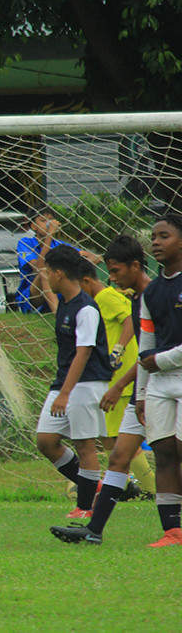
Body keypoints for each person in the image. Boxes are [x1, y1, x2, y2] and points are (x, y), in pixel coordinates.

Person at [50, 235, 154, 544]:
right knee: (118, 450)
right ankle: (94, 529)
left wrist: (119, 352)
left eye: (115, 270)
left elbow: (134, 330)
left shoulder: (109, 298)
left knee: (123, 445)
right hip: (134, 379)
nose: (111, 277)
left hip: (129, 377)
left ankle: (150, 490)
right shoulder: (127, 296)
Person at [34, 245, 112, 520]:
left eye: (47, 272)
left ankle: (85, 506)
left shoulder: (87, 308)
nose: (46, 277)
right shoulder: (65, 304)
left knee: (84, 444)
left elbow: (85, 351)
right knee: (45, 440)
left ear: (58, 274)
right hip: (65, 382)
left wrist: (65, 393)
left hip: (86, 384)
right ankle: (94, 487)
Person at [133, 212, 182, 547]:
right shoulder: (151, 292)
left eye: (164, 235)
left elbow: (155, 355)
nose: (155, 242)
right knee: (163, 452)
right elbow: (145, 344)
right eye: (153, 236)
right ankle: (172, 532)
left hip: (172, 369)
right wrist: (140, 393)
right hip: (159, 382)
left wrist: (160, 361)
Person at [15, 204, 101, 313]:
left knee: (80, 271)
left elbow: (93, 257)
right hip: (33, 296)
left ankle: (92, 306)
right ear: (33, 226)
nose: (48, 224)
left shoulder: (59, 244)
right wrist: (49, 235)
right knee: (44, 272)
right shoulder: (25, 243)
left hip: (57, 289)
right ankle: (58, 313)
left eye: (51, 220)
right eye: (43, 221)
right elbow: (38, 268)